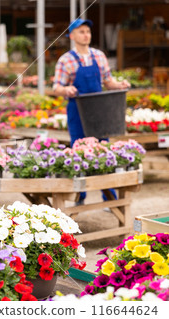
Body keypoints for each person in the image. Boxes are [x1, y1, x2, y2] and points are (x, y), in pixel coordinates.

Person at [53, 19, 130, 205]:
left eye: (88, 31)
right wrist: (66, 90)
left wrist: (119, 85)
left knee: (104, 151)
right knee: (78, 152)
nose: (86, 34)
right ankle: (80, 197)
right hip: (77, 111)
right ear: (71, 36)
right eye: (81, 31)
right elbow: (56, 87)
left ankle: (108, 198)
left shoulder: (99, 56)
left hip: (99, 110)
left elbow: (108, 82)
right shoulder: (65, 60)